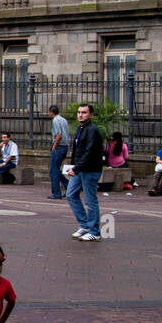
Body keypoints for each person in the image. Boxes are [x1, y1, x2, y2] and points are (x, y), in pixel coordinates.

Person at [65, 103, 105, 241]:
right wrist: (74, 166)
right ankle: (85, 225)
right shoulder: (81, 128)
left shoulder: (92, 130)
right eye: (79, 112)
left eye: (84, 112)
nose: (80, 114)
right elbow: (78, 150)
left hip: (90, 170)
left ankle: (95, 231)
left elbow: (90, 153)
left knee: (90, 200)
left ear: (91, 115)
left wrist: (76, 168)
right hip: (79, 168)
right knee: (70, 194)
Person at [48, 106, 70, 199]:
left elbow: (59, 135)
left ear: (51, 112)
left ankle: (56, 193)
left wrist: (53, 147)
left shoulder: (56, 120)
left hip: (58, 147)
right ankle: (69, 187)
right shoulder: (63, 120)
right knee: (56, 169)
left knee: (53, 171)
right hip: (64, 147)